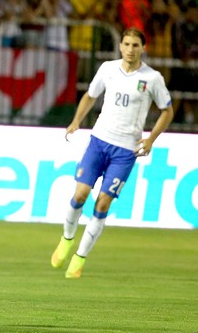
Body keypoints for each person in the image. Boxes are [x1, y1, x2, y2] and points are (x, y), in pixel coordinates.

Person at [51, 27, 175, 279]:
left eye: (135, 45)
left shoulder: (152, 78)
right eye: (127, 44)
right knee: (80, 194)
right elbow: (90, 96)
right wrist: (76, 122)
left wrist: (150, 139)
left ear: (143, 49)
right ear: (120, 46)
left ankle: (79, 258)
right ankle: (66, 239)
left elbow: (167, 110)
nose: (130, 49)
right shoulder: (108, 69)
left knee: (103, 202)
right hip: (99, 141)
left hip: (125, 150)